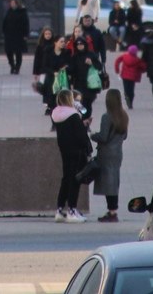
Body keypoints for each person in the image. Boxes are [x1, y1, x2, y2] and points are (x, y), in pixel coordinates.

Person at [51, 89, 92, 223]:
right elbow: (80, 136)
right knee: (75, 179)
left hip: (64, 150)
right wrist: (84, 126)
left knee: (66, 178)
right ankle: (72, 210)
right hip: (76, 151)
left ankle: (59, 209)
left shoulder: (56, 114)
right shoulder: (73, 115)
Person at [90, 89, 128, 223]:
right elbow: (125, 136)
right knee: (113, 180)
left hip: (106, 153)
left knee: (108, 182)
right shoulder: (124, 116)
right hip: (117, 153)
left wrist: (92, 135)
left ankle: (112, 211)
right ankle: (113, 209)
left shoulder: (107, 117)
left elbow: (103, 137)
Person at [69, 35, 101, 113]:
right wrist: (71, 82)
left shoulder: (91, 54)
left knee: (88, 102)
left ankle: (86, 118)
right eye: (78, 44)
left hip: (90, 83)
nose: (80, 46)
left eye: (81, 44)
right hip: (78, 83)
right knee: (79, 102)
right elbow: (71, 70)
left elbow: (99, 66)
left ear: (85, 44)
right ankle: (82, 118)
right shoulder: (74, 57)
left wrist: (92, 63)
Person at [33, 27, 59, 112]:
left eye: (49, 34)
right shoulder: (40, 46)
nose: (48, 36)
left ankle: (52, 104)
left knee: (52, 88)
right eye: (46, 34)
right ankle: (47, 105)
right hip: (42, 70)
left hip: (52, 70)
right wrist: (36, 73)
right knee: (44, 88)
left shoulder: (55, 45)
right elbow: (37, 60)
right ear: (43, 35)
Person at [2, 0, 29, 75]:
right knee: (8, 51)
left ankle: (17, 68)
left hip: (19, 35)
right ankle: (12, 65)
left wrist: (25, 34)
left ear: (17, 4)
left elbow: (26, 24)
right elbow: (5, 22)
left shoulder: (22, 12)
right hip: (9, 35)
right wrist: (4, 32)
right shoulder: (9, 11)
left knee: (18, 52)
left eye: (13, 3)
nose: (12, 4)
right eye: (11, 3)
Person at [114, 45, 146, 109]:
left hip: (124, 76)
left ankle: (127, 99)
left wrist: (117, 69)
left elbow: (117, 61)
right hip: (133, 77)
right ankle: (130, 102)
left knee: (126, 89)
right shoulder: (137, 60)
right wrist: (141, 70)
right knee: (131, 90)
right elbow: (144, 67)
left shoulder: (124, 56)